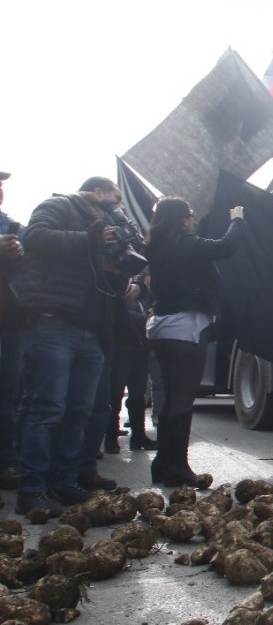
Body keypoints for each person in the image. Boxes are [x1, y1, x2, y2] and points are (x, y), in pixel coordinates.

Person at [15, 178, 129, 516]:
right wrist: (91, 239)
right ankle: (32, 489)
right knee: (47, 409)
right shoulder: (59, 206)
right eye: (114, 198)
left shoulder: (106, 229)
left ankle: (65, 481)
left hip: (89, 328)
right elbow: (36, 237)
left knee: (79, 411)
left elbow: (103, 279)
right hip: (53, 322)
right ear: (96, 192)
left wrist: (119, 269)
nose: (117, 206)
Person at [147, 197, 245, 487]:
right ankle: (178, 466)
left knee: (170, 399)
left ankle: (163, 463)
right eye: (189, 214)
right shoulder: (186, 244)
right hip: (185, 328)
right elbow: (226, 247)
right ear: (181, 217)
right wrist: (237, 219)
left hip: (162, 327)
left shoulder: (156, 245)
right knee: (182, 399)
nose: (192, 219)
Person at [107, 271, 158, 452]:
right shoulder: (116, 283)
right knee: (115, 394)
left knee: (137, 395)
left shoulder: (142, 289)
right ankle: (111, 437)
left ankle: (138, 436)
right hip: (122, 346)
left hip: (140, 346)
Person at [0, 170, 24, 490]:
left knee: (8, 396)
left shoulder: (12, 226)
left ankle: (5, 461)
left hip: (11, 323)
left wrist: (20, 255)